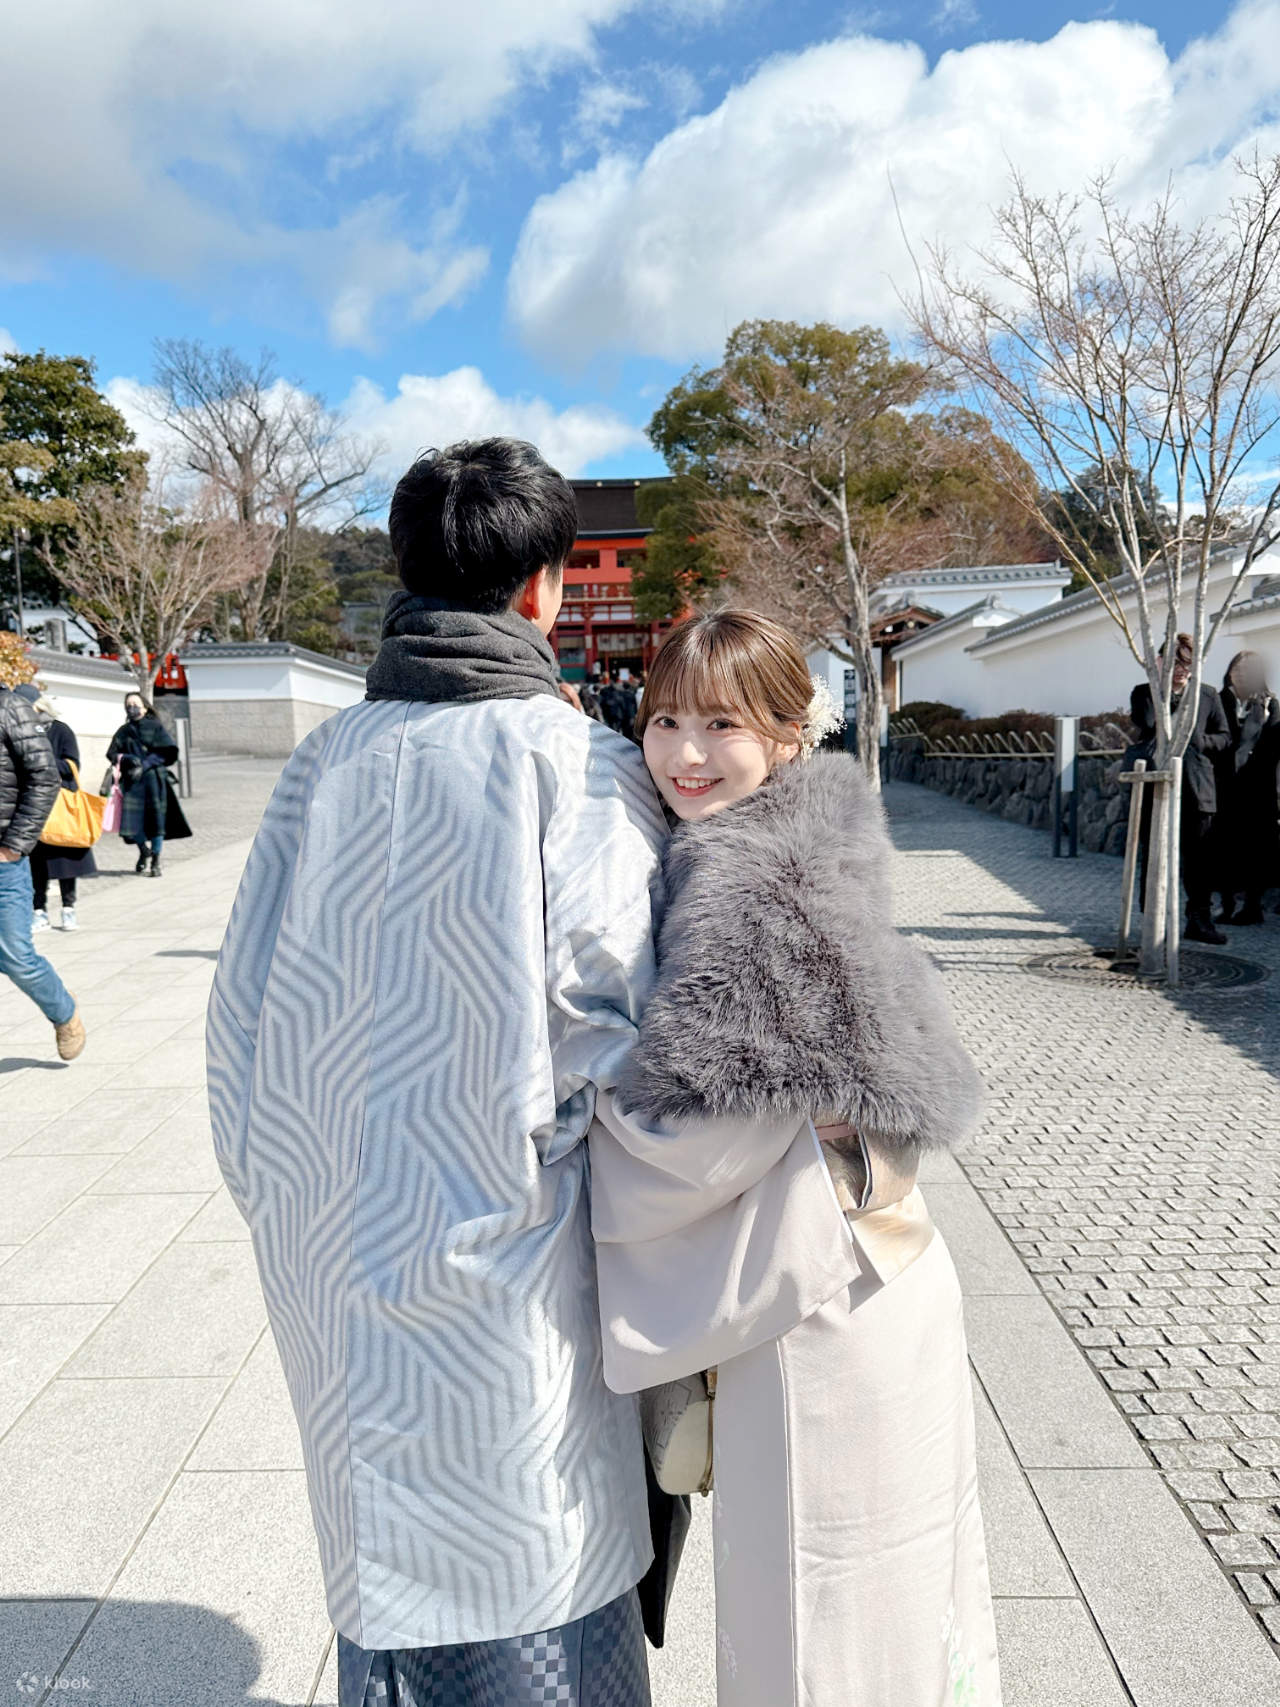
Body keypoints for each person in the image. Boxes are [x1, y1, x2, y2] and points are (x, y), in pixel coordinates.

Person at [208, 438, 674, 1707]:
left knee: (389, 1590)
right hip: (512, 1266)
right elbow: (615, 1033)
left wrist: (289, 1205)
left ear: (406, 578)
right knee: (534, 1586)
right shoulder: (572, 763)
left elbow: (237, 1026)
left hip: (331, 1261)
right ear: (547, 589)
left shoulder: (319, 766)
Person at [588, 611, 1001, 1707]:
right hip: (865, 1274)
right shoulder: (790, 840)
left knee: (818, 1617)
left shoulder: (758, 887)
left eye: (719, 723)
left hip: (824, 1307)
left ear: (783, 732)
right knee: (886, 1598)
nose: (681, 752)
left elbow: (701, 1144)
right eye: (661, 718)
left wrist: (581, 1118)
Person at [0, 683, 85, 1058]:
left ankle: (63, 1013)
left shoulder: (11, 709)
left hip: (4, 861)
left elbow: (44, 777)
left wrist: (13, 845)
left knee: (15, 955)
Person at [1130, 634, 1231, 945]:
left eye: (1187, 664)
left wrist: (1201, 741)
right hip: (1156, 787)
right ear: (1161, 662)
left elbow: (1225, 736)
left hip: (1198, 787)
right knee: (1153, 855)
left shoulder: (1209, 695)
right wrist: (1164, 690)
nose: (1181, 670)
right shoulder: (1145, 692)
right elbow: (1147, 723)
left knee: (1200, 860)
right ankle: (1153, 922)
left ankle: (1199, 919)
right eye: (1174, 663)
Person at [13, 685, 96, 931]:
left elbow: (72, 765)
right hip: (33, 806)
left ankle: (68, 908)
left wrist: (42, 760)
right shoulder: (18, 732)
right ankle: (39, 911)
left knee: (65, 861)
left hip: (60, 805)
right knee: (37, 864)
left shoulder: (61, 730)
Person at [1213, 651, 1280, 925]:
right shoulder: (1218, 701)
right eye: (1239, 669)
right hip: (1225, 785)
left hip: (1257, 789)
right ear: (1230, 672)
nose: (1243, 674)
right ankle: (1226, 905)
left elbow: (1273, 745)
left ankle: (1253, 907)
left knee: (1256, 848)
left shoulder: (1270, 704)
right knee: (1224, 846)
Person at [106, 692, 190, 876]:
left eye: (136, 704)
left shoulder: (155, 727)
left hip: (153, 779)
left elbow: (167, 751)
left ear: (144, 706)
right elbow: (112, 753)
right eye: (129, 705)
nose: (132, 708)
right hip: (132, 781)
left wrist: (144, 765)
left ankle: (156, 860)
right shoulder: (123, 731)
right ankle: (144, 850)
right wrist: (126, 758)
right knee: (131, 823)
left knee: (156, 821)